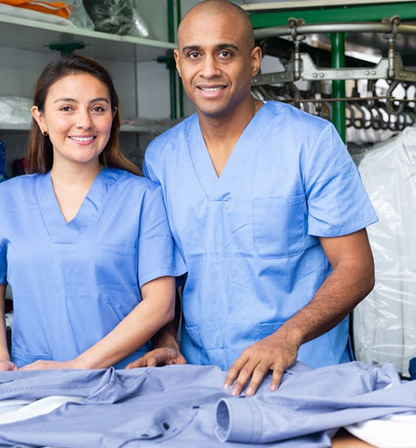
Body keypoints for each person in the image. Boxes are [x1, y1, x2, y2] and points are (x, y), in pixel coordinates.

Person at [129, 0, 377, 397]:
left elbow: (357, 268)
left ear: (255, 60)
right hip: (203, 379)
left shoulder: (310, 143)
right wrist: (166, 343)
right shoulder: (162, 157)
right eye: (195, 54)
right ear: (179, 63)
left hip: (303, 377)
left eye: (225, 53)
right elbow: (165, 278)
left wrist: (288, 338)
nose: (208, 70)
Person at [0, 55, 186, 372]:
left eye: (98, 108)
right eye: (67, 108)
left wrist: (75, 367)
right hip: (32, 382)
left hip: (122, 381)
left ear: (112, 116)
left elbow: (160, 305)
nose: (84, 121)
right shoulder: (8, 198)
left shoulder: (143, 198)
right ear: (41, 118)